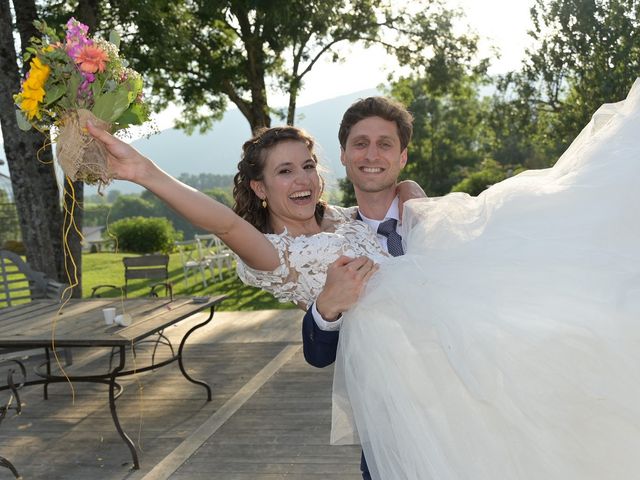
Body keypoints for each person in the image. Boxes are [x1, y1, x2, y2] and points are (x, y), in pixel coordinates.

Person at [89, 77, 640, 479]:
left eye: (307, 165)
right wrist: (144, 172)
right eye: (284, 171)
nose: (302, 179)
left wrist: (420, 204)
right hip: (397, 407)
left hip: (470, 378)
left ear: (400, 157)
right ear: (260, 189)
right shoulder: (274, 253)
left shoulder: (372, 215)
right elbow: (224, 223)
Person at [300, 96, 417, 480]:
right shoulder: (327, 242)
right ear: (345, 155)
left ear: (402, 157)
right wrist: (328, 307)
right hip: (384, 436)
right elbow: (318, 357)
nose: (372, 154)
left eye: (385, 144)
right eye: (360, 143)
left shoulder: (438, 221)